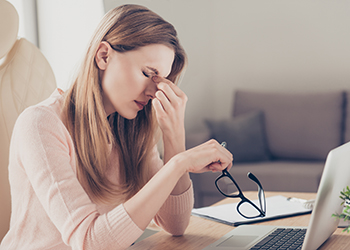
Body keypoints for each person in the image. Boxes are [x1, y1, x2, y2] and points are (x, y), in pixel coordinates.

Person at [0, 4, 232, 250]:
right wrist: (179, 163)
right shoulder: (40, 124)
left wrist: (174, 136)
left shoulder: (131, 129)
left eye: (161, 80)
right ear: (103, 56)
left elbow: (174, 224)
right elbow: (90, 241)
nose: (154, 91)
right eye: (147, 73)